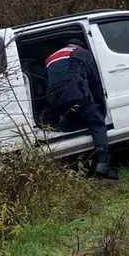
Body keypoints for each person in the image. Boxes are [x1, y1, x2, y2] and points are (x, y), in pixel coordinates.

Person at [45, 39, 117, 180]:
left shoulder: (49, 59)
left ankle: (66, 168)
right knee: (97, 124)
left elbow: (46, 83)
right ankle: (103, 165)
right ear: (78, 45)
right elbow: (93, 77)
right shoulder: (80, 52)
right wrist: (98, 101)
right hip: (76, 95)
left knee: (69, 124)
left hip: (57, 101)